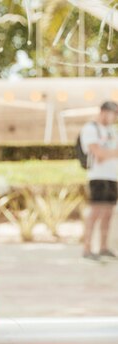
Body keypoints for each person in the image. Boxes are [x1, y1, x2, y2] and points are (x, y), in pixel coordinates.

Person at [81, 101, 118, 261]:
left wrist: (107, 153)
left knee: (108, 212)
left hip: (112, 176)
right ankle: (87, 248)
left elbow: (105, 153)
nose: (114, 116)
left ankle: (103, 247)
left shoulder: (112, 130)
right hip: (97, 176)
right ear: (103, 111)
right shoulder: (90, 128)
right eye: (112, 112)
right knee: (96, 211)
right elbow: (98, 153)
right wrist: (111, 153)